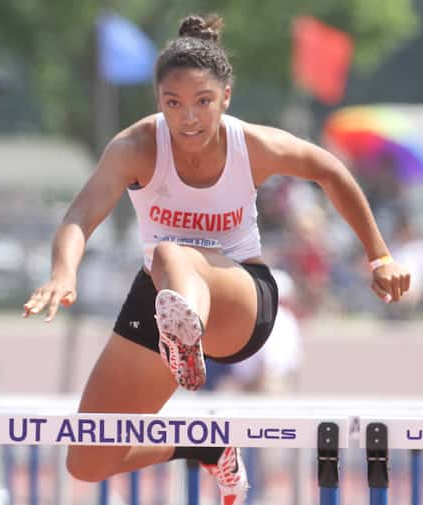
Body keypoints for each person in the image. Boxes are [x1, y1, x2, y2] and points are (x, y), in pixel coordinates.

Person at [22, 13, 410, 505]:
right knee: (88, 459)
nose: (188, 118)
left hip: (241, 299)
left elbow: (329, 171)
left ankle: (187, 331)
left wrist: (379, 256)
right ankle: (200, 444)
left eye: (203, 102)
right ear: (158, 103)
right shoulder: (136, 146)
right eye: (173, 104)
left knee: (170, 252)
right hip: (162, 300)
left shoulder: (252, 145)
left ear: (226, 97)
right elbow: (81, 213)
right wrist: (63, 272)